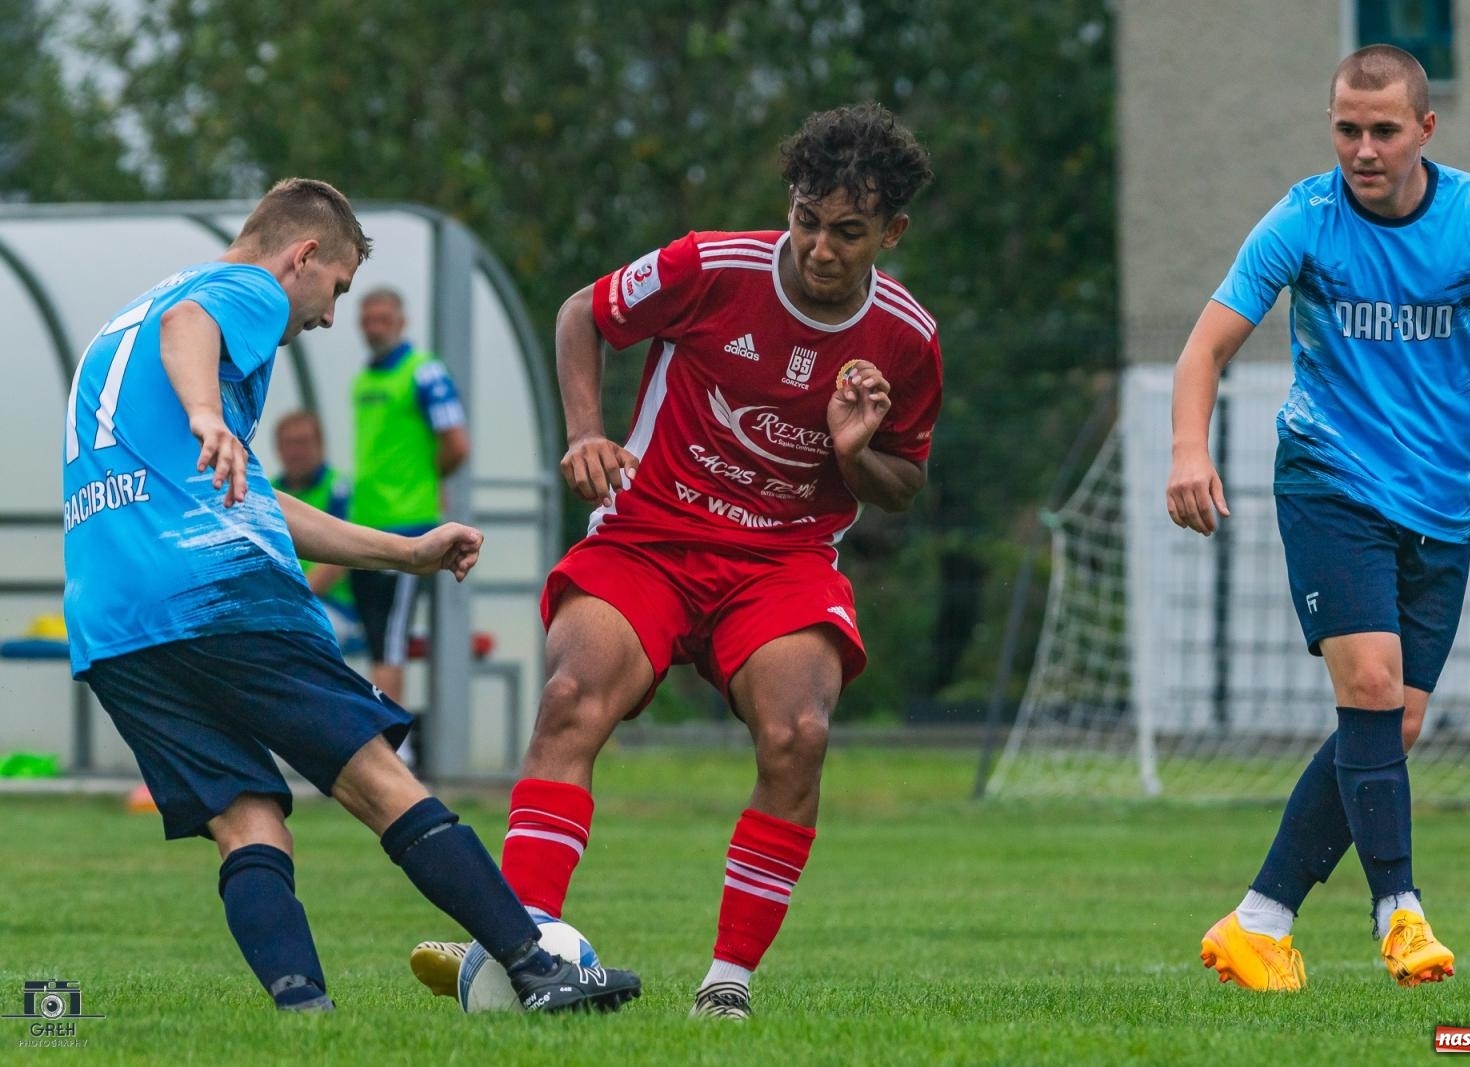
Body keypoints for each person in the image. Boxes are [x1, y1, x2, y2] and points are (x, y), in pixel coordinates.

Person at [406, 103, 940, 1019]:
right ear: (790, 202)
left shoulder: (907, 338)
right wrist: (585, 432)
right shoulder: (710, 265)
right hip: (648, 538)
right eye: (806, 219)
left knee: (798, 735)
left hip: (782, 561)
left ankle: (725, 986)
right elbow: (583, 312)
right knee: (571, 698)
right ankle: (529, 951)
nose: (818, 247)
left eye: (847, 233)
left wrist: (854, 452)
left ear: (889, 233)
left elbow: (906, 484)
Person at [61, 177, 639, 1013]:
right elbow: (195, 332)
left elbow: (253, 496)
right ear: (302, 257)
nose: (329, 316)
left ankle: (307, 1014)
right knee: (375, 775)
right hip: (216, 591)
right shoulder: (238, 291)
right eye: (334, 287)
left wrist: (405, 552)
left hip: (115, 621)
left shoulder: (127, 319)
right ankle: (536, 964)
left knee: (247, 815)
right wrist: (204, 413)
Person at [1166, 46, 1470, 991]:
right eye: (1347, 128)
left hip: (1439, 502)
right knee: (1373, 685)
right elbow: (1203, 350)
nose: (1363, 148)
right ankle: (1400, 913)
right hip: (1327, 480)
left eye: (1383, 130)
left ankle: (1260, 918)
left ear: (1426, 128)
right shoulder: (1304, 218)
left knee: (1393, 723)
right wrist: (1187, 450)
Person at [347, 287, 470, 712]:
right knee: (376, 637)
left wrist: (422, 483)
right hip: (366, 522)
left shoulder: (424, 373)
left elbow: (456, 444)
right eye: (367, 318)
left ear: (401, 321)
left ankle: (395, 746)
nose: (374, 327)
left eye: (382, 318)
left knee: (391, 641)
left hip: (409, 525)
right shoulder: (364, 378)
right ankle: (384, 739)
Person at [271, 410, 359, 648]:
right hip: (281, 605)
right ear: (277, 449)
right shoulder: (267, 491)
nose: (295, 452)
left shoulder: (340, 489)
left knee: (299, 638)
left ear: (320, 445)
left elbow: (339, 559)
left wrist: (291, 599)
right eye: (288, 443)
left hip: (330, 605)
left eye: (303, 443)